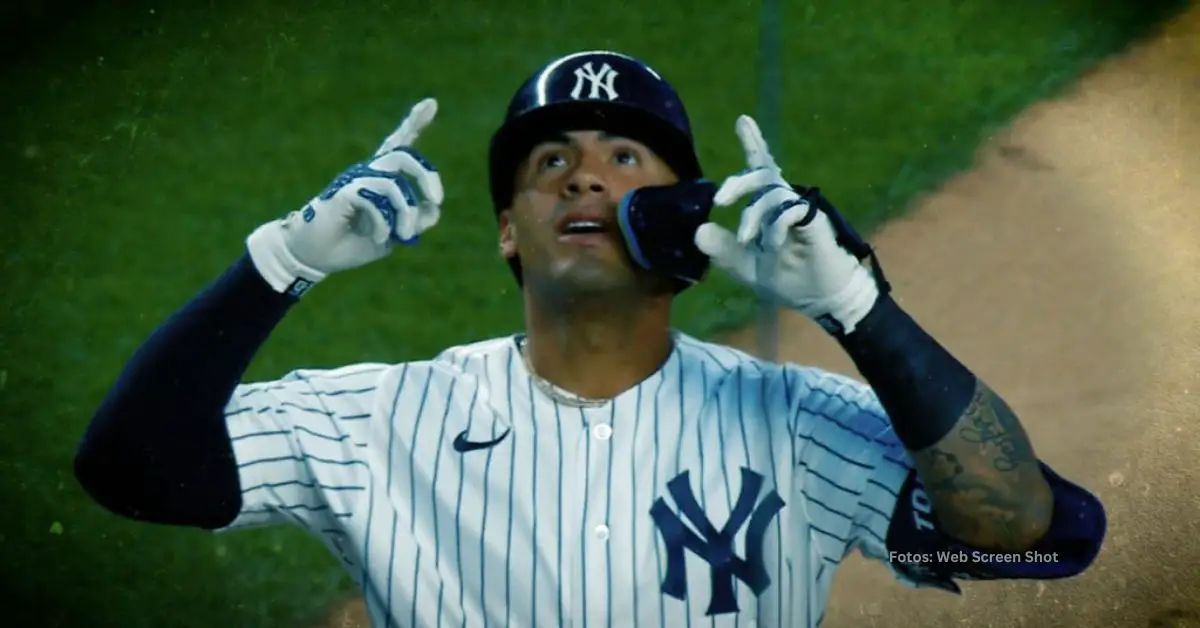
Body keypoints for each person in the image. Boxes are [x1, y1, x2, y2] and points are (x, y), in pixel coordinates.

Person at [74, 50, 1106, 627]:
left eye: (626, 157)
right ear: (508, 231)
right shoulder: (374, 420)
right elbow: (131, 471)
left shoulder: (797, 423)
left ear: (688, 228)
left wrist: (856, 303)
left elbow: (1036, 531)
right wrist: (280, 262)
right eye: (550, 163)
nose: (585, 175)